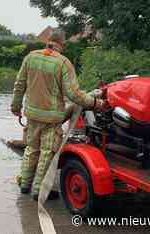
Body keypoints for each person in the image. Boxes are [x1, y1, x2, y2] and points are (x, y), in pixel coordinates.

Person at [10, 29, 105, 201]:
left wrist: (15, 107)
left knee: (31, 148)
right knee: (47, 152)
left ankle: (25, 184)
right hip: (51, 119)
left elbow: (19, 84)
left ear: (48, 40)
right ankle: (39, 191)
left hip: (32, 114)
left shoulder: (30, 57)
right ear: (62, 44)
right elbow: (74, 94)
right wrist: (95, 103)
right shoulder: (63, 63)